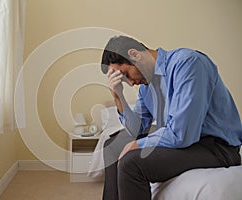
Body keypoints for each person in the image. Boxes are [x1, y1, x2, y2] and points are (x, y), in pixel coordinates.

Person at [100, 35, 242, 200]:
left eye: (126, 74)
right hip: (188, 143)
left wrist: (137, 145)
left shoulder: (188, 63)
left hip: (216, 147)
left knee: (131, 162)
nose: (131, 83)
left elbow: (182, 134)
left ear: (135, 54)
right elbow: (137, 130)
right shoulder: (147, 87)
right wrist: (118, 97)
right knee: (113, 146)